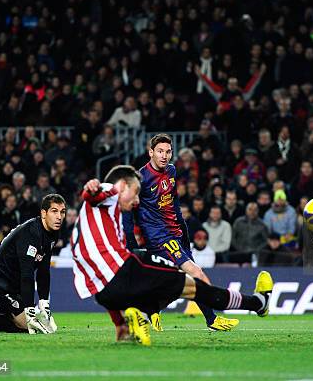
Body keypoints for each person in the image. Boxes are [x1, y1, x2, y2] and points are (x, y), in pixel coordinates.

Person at [77, 165, 272, 346]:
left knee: (181, 287)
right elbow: (94, 193)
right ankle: (257, 303)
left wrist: (118, 324)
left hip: (103, 294)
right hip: (123, 271)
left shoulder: (103, 218)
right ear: (123, 185)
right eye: (136, 193)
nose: (137, 200)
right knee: (194, 284)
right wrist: (91, 187)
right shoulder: (110, 191)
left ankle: (137, 320)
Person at [84, 134, 238, 332]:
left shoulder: (172, 171)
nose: (164, 156)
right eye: (160, 151)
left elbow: (173, 203)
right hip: (159, 236)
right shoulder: (141, 178)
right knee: (195, 273)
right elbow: (129, 210)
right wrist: (131, 244)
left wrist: (183, 229)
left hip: (175, 234)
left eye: (168, 152)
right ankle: (212, 318)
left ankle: (151, 310)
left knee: (176, 280)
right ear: (151, 153)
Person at [0, 194, 67, 334]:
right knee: (27, 325)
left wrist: (44, 304)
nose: (59, 216)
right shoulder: (30, 233)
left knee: (26, 323)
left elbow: (43, 270)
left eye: (62, 212)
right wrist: (29, 310)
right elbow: (27, 274)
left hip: (12, 280)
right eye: (54, 211)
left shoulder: (53, 233)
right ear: (43, 213)